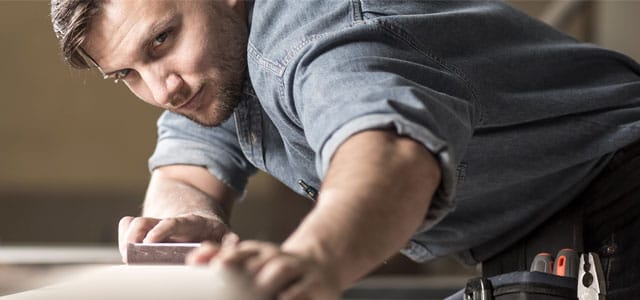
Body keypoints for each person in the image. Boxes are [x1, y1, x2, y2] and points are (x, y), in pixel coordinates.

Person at [50, 0, 639, 299]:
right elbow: (189, 156)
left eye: (162, 40)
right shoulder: (217, 67)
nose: (162, 89)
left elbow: (388, 152)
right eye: (126, 73)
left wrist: (316, 260)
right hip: (547, 235)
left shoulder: (314, 36)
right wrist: (186, 221)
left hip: (621, 195)